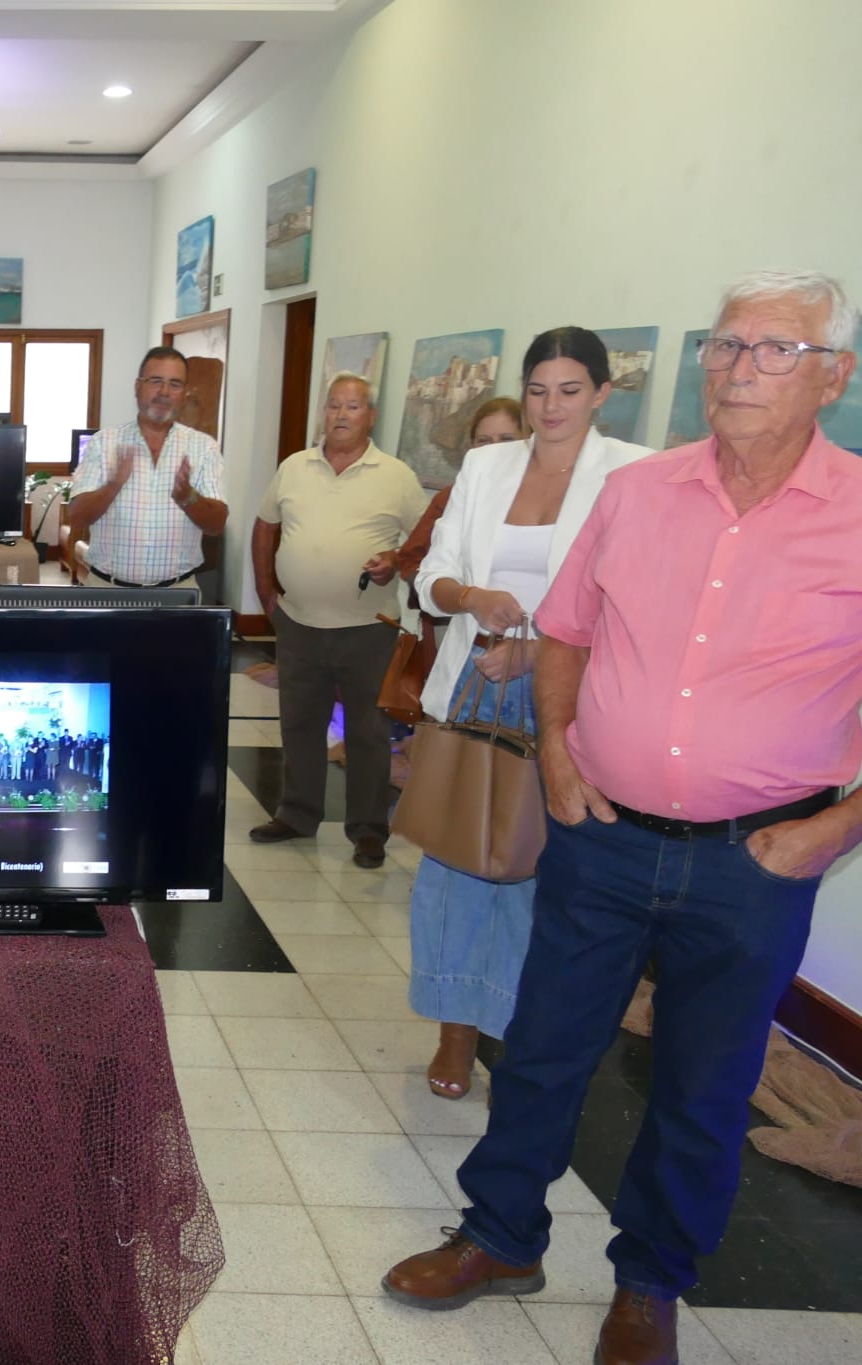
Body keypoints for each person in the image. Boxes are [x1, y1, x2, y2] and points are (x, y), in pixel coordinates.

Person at [384, 271, 862, 1365]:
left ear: (830, 376)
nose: (739, 368)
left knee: (700, 1085)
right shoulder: (641, 494)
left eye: (773, 350)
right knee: (544, 1051)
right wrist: (554, 749)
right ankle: (499, 1234)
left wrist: (832, 830)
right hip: (599, 833)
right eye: (725, 346)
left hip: (756, 862)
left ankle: (647, 1283)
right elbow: (567, 628)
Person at [406, 330, 650, 1101]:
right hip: (475, 678)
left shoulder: (633, 473)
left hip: (567, 696)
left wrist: (538, 647)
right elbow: (434, 574)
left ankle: (513, 1024)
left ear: (603, 393)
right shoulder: (487, 465)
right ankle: (454, 1028)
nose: (551, 406)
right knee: (456, 860)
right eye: (538, 389)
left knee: (536, 870)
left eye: (571, 390)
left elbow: (629, 598)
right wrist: (473, 601)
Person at [249, 372, 429, 868]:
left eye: (353, 407)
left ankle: (368, 830)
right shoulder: (294, 467)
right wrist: (266, 592)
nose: (341, 415)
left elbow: (424, 542)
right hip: (299, 623)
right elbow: (265, 526)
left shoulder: (396, 476)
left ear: (370, 416)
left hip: (367, 628)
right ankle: (297, 814)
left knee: (367, 732)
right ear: (323, 413)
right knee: (300, 724)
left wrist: (394, 558)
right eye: (333, 406)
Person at [67, 346, 229, 588]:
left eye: (175, 384)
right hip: (107, 589)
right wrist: (114, 485)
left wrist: (188, 497)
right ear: (138, 387)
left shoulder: (204, 447)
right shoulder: (105, 442)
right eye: (156, 381)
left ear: (184, 394)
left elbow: (216, 525)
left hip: (178, 592)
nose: (164, 392)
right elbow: (77, 518)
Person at [397, 397, 527, 587]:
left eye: (507, 439)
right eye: (484, 441)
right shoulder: (450, 498)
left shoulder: (544, 497)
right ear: (472, 446)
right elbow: (410, 560)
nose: (495, 448)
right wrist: (444, 592)